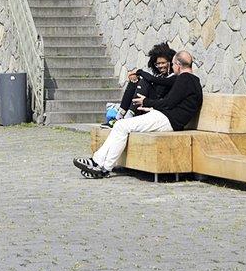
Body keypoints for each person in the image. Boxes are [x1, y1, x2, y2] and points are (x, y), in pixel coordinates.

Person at [75, 50, 203, 178]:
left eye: (173, 64)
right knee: (120, 125)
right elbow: (179, 105)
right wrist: (153, 109)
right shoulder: (194, 81)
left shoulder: (184, 79)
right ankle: (99, 164)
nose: (173, 67)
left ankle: (102, 166)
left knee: (121, 126)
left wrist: (146, 101)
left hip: (167, 120)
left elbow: (169, 102)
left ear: (178, 65)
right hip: (166, 118)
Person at [102, 42, 175, 127]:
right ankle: (119, 116)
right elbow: (153, 79)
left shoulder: (174, 77)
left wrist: (138, 72)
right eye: (158, 64)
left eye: (163, 63)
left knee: (144, 81)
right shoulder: (159, 76)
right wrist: (136, 76)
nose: (160, 66)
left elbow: (152, 80)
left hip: (159, 106)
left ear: (170, 62)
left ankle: (129, 117)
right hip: (147, 101)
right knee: (135, 81)